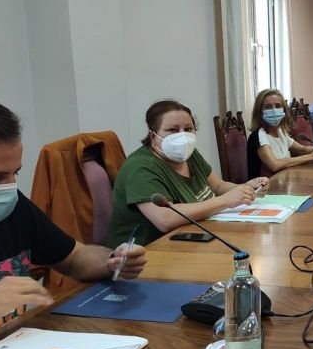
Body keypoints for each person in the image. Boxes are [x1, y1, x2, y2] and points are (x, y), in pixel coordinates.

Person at [0, 97, 147, 340]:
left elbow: (74, 257)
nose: (9, 187)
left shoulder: (10, 205)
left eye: (15, 173)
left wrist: (112, 261)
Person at [106, 100, 268, 247]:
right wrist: (225, 201)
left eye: (188, 129)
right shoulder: (140, 167)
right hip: (146, 254)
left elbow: (218, 185)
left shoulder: (189, 154)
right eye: (172, 130)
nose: (182, 136)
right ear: (152, 136)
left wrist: (246, 188)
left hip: (194, 238)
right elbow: (165, 219)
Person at [247, 89, 313, 180]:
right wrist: (311, 157)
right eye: (268, 107)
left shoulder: (280, 131)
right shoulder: (258, 135)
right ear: (259, 112)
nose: (274, 110)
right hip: (263, 188)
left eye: (278, 106)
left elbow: (302, 149)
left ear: (284, 110)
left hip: (283, 182)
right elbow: (274, 164)